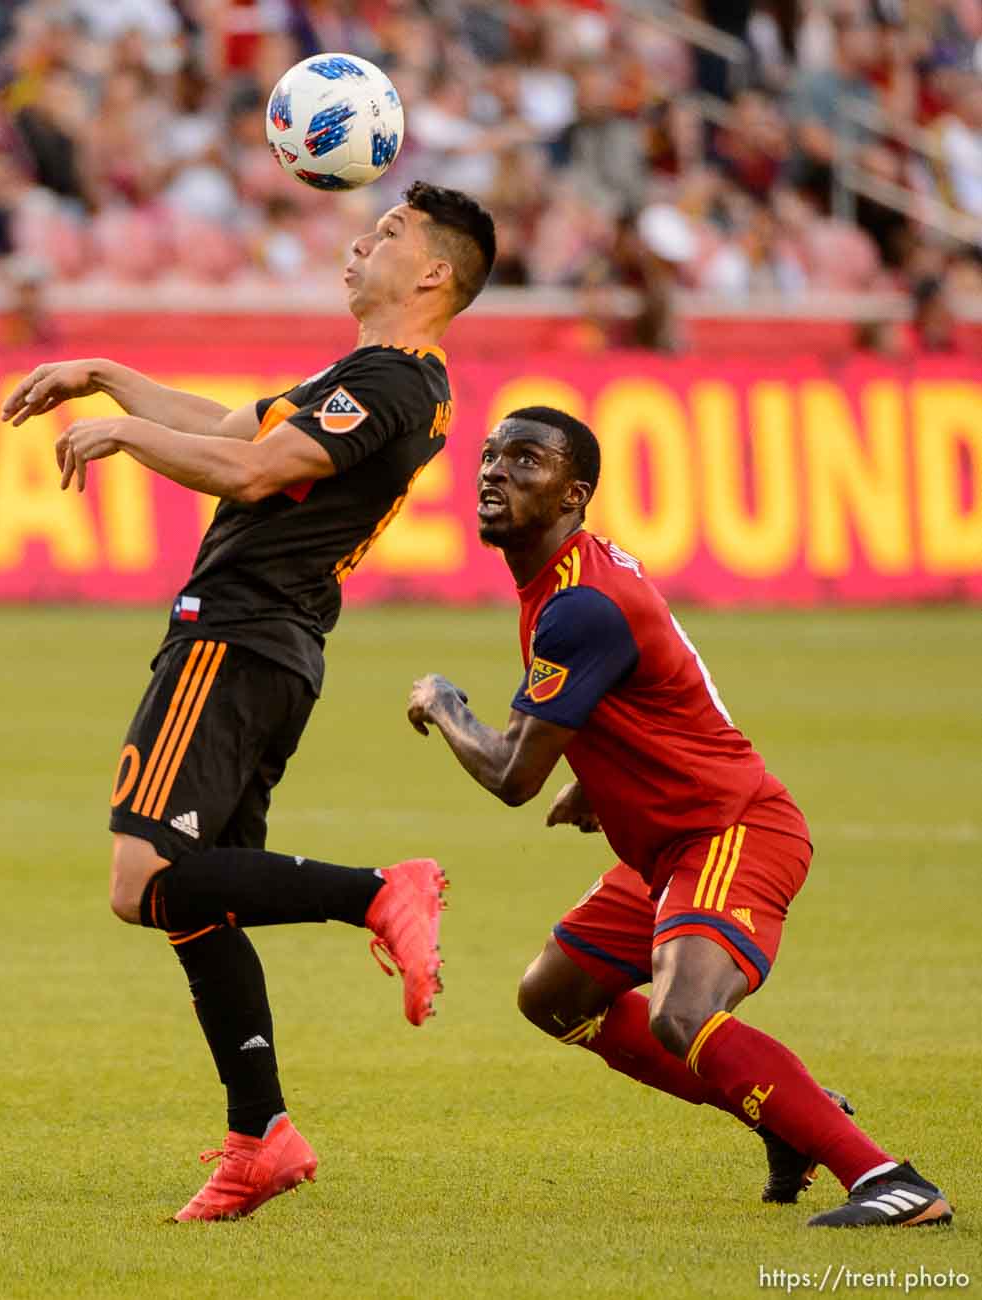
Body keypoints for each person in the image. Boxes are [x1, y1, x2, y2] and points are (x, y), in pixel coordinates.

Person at [1, 180, 497, 1223]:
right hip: (273, 646)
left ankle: (380, 890)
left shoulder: (395, 384)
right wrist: (105, 377)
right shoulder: (369, 378)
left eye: (392, 233)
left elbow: (254, 468)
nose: (362, 241)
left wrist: (120, 437)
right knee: (201, 902)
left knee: (144, 883)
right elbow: (223, 422)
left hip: (232, 636)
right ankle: (259, 1131)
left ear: (435, 274)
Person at [406, 405, 953, 1230]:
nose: (493, 472)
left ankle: (888, 1180)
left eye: (524, 460)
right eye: (488, 456)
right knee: (554, 996)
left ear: (572, 494)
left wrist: (446, 705)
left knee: (681, 1014)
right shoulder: (564, 581)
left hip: (731, 831)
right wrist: (599, 784)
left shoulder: (578, 603)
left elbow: (512, 773)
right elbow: (653, 685)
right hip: (668, 847)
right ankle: (789, 1113)